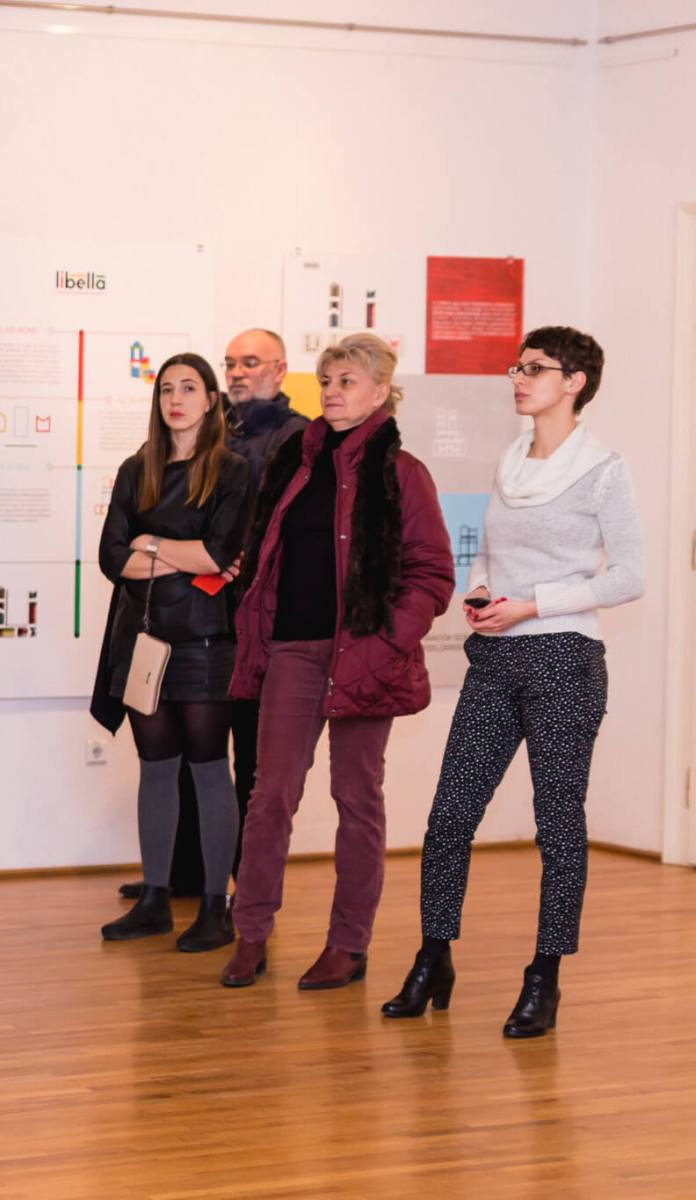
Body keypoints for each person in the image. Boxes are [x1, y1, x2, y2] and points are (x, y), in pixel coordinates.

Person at [384, 327, 642, 1037]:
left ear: (575, 382)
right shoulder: (511, 460)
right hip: (495, 659)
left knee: (557, 827)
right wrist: (481, 592)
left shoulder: (604, 470)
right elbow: (491, 555)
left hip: (565, 659)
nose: (519, 379)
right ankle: (433, 958)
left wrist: (533, 605)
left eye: (535, 369)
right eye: (516, 368)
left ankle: (544, 977)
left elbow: (629, 576)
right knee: (449, 817)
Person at [219, 333, 455, 990]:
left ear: (380, 391)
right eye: (326, 381)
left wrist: (385, 643)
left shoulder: (403, 472)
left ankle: (348, 945)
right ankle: (251, 932)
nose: (331, 392)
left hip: (365, 654)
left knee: (357, 797)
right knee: (270, 794)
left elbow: (433, 574)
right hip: (292, 648)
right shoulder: (294, 462)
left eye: (347, 380)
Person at [120, 329, 308, 901]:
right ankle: (183, 876)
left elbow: (265, 533)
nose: (237, 372)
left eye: (250, 362)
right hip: (192, 611)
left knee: (247, 760)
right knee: (181, 753)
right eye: (230, 363)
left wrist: (202, 553)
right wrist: (189, 554)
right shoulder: (206, 434)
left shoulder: (295, 437)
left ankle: (244, 890)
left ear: (280, 369)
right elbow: (137, 546)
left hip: (257, 617)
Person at [91, 354, 251, 951]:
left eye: (188, 388)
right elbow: (112, 559)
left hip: (206, 641)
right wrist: (182, 554)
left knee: (209, 768)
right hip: (143, 638)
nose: (175, 399)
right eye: (165, 390)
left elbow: (218, 555)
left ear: (210, 399)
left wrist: (151, 543)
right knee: (155, 766)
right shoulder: (137, 469)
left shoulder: (232, 470)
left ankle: (215, 907)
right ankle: (155, 900)